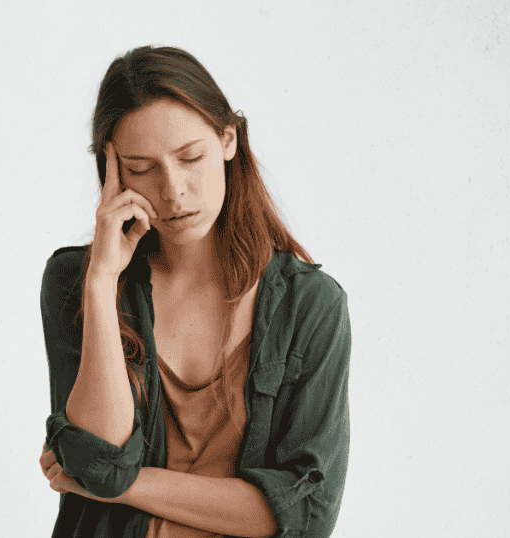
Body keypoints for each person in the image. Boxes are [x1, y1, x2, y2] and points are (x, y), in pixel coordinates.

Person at [38, 45, 350, 538]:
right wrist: (101, 284)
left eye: (190, 157)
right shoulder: (76, 281)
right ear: (112, 172)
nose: (173, 190)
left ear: (228, 139)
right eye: (141, 168)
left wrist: (122, 484)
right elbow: (100, 454)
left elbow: (304, 514)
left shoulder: (310, 307)